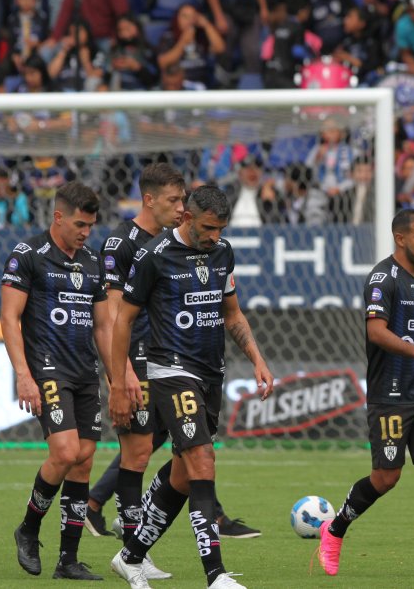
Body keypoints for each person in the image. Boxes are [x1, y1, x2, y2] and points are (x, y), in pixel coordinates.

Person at [109, 186, 274, 589]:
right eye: (208, 227)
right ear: (186, 218)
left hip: (211, 374)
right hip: (168, 371)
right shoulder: (154, 257)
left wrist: (257, 359)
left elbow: (231, 314)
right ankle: (215, 575)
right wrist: (118, 381)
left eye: (220, 228)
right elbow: (123, 321)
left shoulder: (222, 252)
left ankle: (129, 557)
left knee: (184, 475)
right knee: (202, 460)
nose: (214, 235)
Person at [317, 208, 414, 578]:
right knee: (385, 478)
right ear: (400, 239)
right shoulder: (383, 278)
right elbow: (376, 332)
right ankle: (335, 529)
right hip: (389, 394)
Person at [3, 182, 113, 581]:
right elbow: (10, 319)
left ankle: (68, 560)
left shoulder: (92, 261)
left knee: (83, 462)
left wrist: (116, 378)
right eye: (80, 224)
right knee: (65, 452)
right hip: (48, 368)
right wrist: (23, 376)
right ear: (59, 217)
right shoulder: (28, 255)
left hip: (85, 373)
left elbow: (103, 326)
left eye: (91, 226)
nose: (86, 232)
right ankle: (28, 530)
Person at [85, 164, 187, 582]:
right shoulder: (120, 243)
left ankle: (132, 549)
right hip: (135, 363)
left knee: (165, 452)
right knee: (137, 454)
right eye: (173, 201)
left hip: (167, 362)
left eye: (183, 200)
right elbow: (109, 314)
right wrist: (120, 373)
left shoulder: (172, 244)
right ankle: (132, 554)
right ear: (149, 199)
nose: (182, 208)